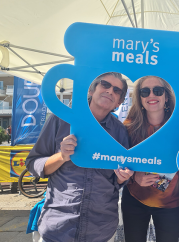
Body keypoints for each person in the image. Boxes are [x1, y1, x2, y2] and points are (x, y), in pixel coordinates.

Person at [26, 72, 134, 242]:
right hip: (58, 227)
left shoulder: (120, 132)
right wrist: (61, 156)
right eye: (105, 85)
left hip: (101, 230)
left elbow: (117, 180)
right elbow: (34, 164)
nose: (110, 91)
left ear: (120, 101)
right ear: (91, 90)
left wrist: (123, 178)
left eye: (117, 90)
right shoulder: (60, 120)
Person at [121, 76, 179, 242]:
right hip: (134, 199)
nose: (151, 95)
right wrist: (135, 176)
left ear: (166, 96)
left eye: (158, 91)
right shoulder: (129, 127)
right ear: (140, 98)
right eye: (145, 92)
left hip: (170, 203)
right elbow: (119, 162)